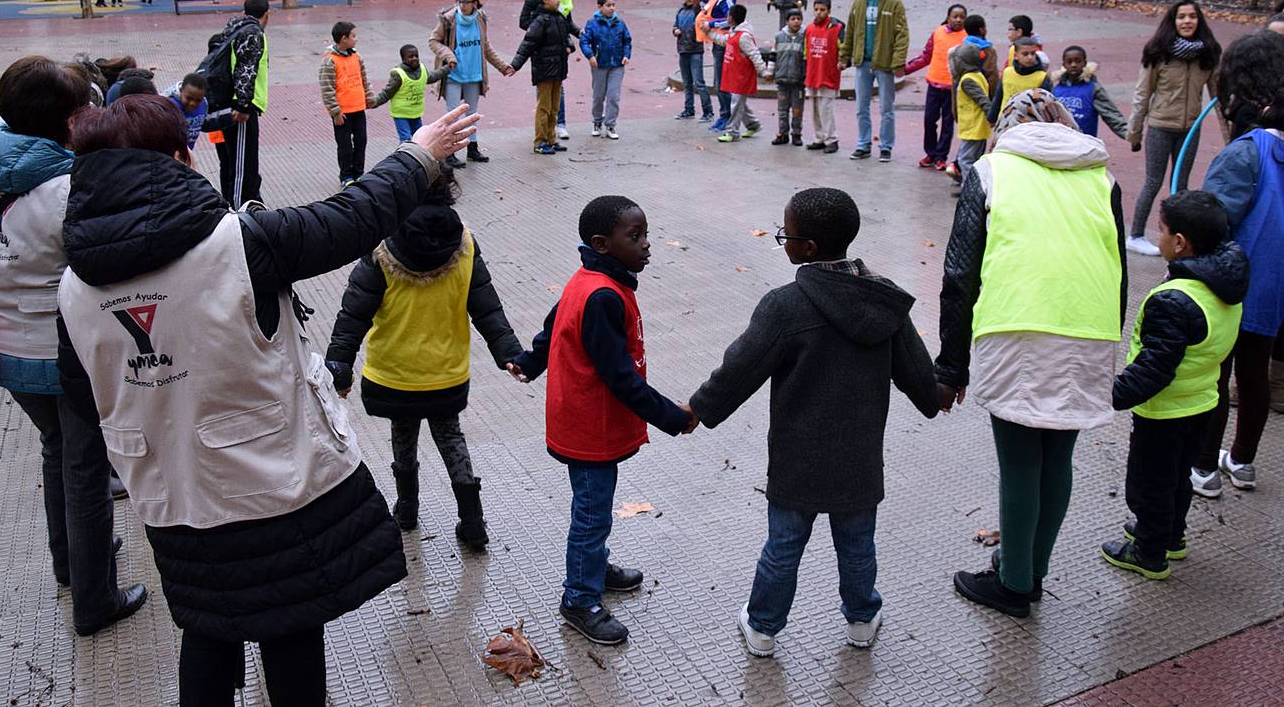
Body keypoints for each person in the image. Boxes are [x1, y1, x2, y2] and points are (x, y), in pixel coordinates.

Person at [56, 95, 479, 705]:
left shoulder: (70, 287)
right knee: (289, 630)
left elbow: (82, 392)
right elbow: (352, 216)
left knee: (205, 626)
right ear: (180, 157)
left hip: (171, 494)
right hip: (269, 485)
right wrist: (421, 155)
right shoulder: (244, 241)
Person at [689, 188, 938, 657]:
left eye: (786, 235)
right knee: (857, 545)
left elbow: (740, 367)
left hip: (796, 456)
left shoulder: (785, 305)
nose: (782, 241)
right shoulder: (884, 301)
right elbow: (917, 374)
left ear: (807, 249)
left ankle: (763, 627)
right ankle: (862, 619)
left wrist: (698, 411)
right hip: (860, 456)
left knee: (783, 546)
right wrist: (936, 394)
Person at [0, 57, 146, 636]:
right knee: (86, 467)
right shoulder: (68, 189)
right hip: (59, 354)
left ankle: (70, 560)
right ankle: (95, 599)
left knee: (56, 448)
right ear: (67, 121)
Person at [936, 89, 1126, 617]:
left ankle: (1015, 584)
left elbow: (959, 274)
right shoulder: (1101, 176)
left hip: (1019, 325)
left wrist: (951, 365)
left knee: (1019, 461)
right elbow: (1117, 265)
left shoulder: (991, 171)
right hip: (1089, 326)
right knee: (1057, 457)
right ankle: (1031, 570)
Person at [504, 195, 697, 646]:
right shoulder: (602, 295)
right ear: (601, 243)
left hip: (587, 418)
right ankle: (580, 598)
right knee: (591, 514)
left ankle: (594, 567)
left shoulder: (591, 277)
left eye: (646, 233)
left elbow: (554, 326)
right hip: (589, 424)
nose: (648, 245)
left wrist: (531, 361)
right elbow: (621, 379)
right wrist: (674, 417)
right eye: (636, 237)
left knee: (596, 509)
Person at [325, 165, 522, 552]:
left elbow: (353, 314)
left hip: (396, 372)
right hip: (446, 372)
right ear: (448, 189)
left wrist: (339, 367)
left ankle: (407, 510)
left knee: (403, 436)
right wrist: (511, 354)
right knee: (451, 437)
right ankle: (473, 521)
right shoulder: (464, 242)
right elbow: (487, 307)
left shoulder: (382, 248)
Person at [1190, 81, 1284, 495]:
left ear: (1275, 110)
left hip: (1231, 278)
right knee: (1254, 374)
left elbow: (1215, 215)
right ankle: (1242, 461)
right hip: (1278, 282)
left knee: (1215, 377)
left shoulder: (1250, 150)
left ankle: (1203, 468)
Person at [1102, 190, 1246, 579]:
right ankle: (1171, 536)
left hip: (1164, 411)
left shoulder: (1173, 300)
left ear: (1180, 243)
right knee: (1178, 477)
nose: (1158, 236)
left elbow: (1154, 368)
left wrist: (1109, 394)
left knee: (1149, 484)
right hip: (1201, 402)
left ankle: (1148, 553)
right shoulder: (1223, 285)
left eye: (1161, 230)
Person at [1126, 0, 1221, 256]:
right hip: (1160, 126)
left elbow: (1218, 97)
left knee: (1181, 185)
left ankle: (1177, 239)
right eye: (1181, 17)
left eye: (1192, 16)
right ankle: (1135, 234)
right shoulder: (1158, 51)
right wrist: (1134, 132)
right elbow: (1142, 92)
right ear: (1173, 21)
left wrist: (1229, 137)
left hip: (1190, 128)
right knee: (1153, 182)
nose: (1187, 21)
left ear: (1199, 20)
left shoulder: (1208, 53)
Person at [428, 0, 514, 166]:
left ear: (475, 3)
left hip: (474, 73)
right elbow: (433, 41)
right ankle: (449, 152)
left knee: (472, 113)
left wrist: (502, 66)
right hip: (453, 74)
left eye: (465, 2)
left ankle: (472, 149)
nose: (461, 5)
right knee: (453, 115)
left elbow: (486, 46)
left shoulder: (480, 19)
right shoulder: (448, 19)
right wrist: (448, 56)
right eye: (458, 1)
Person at [841, 0, 909, 162]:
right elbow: (850, 32)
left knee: (886, 108)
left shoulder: (894, 2)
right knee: (862, 107)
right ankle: (863, 144)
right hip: (863, 62)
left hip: (884, 64)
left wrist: (898, 62)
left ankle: (886, 146)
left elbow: (902, 34)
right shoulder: (859, 2)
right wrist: (844, 56)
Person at [510, 0, 581, 156]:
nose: (558, 0)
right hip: (544, 69)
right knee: (544, 107)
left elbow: (565, 37)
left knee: (554, 107)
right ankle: (540, 141)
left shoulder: (560, 18)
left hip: (559, 69)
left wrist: (570, 46)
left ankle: (551, 138)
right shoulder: (540, 20)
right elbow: (528, 44)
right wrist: (515, 65)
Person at [219, 0, 272, 206]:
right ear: (267, 14)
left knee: (243, 162)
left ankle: (251, 201)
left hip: (240, 103)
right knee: (242, 164)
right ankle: (240, 209)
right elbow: (245, 70)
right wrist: (243, 105)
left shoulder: (235, 28)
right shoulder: (252, 33)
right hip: (240, 107)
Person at [903, 4, 968, 171]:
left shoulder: (967, 37)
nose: (958, 20)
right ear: (948, 17)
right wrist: (906, 69)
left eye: (962, 17)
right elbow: (926, 56)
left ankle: (941, 156)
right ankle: (930, 153)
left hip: (953, 88)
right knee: (929, 120)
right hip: (934, 84)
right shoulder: (938, 33)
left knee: (948, 123)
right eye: (955, 16)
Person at [519, 0, 575, 140]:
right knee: (544, 103)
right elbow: (526, 39)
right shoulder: (536, 1)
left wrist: (572, 40)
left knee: (555, 100)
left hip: (559, 57)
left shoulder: (562, 2)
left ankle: (553, 135)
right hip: (543, 57)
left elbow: (567, 25)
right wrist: (514, 65)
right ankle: (541, 139)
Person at [319, 21, 377, 185]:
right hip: (342, 113)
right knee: (345, 146)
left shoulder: (357, 57)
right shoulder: (329, 60)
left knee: (361, 141)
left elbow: (364, 79)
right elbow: (327, 87)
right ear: (344, 39)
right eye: (353, 36)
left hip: (358, 108)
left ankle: (359, 173)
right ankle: (346, 176)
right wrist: (335, 112)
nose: (356, 39)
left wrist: (369, 97)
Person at [708, 4, 770, 143]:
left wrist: (763, 71)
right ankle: (753, 124)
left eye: (729, 15)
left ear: (733, 18)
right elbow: (724, 41)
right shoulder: (734, 32)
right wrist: (709, 33)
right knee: (739, 102)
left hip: (742, 75)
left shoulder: (743, 37)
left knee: (736, 103)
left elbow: (754, 54)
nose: (727, 18)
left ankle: (732, 131)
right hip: (735, 74)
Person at [372, 44, 452, 144]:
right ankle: (405, 158)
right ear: (403, 59)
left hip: (415, 112)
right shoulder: (398, 74)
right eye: (410, 57)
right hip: (401, 113)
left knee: (419, 137)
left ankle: (418, 157)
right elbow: (387, 93)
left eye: (416, 56)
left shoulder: (422, 69)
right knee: (406, 139)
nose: (414, 58)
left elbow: (432, 76)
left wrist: (447, 68)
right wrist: (374, 102)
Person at [581, 0, 633, 140]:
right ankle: (597, 121)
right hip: (599, 64)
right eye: (608, 5)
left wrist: (626, 55)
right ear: (600, 7)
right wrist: (590, 55)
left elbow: (627, 40)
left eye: (613, 5)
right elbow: (584, 41)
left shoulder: (620, 23)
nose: (611, 8)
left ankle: (610, 124)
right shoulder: (592, 23)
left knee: (613, 96)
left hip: (616, 64)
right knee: (598, 96)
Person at [696, 0, 741, 130]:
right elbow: (714, 0)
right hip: (718, 42)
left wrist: (711, 24)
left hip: (723, 43)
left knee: (720, 82)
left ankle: (726, 116)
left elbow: (732, 19)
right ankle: (743, 119)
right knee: (720, 82)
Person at [1049, 46, 1128, 141]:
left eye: (1078, 61)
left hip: (1085, 143)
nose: (1073, 65)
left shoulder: (1093, 88)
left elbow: (1110, 114)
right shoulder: (1056, 89)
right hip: (1060, 142)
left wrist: (1128, 135)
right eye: (1069, 62)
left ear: (1084, 63)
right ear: (1064, 65)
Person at [803, 0, 845, 154]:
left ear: (829, 11)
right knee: (814, 109)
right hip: (813, 74)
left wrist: (843, 62)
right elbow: (806, 52)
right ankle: (819, 137)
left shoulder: (837, 28)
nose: (819, 12)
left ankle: (832, 139)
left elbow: (843, 49)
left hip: (828, 74)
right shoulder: (809, 29)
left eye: (822, 9)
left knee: (826, 109)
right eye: (816, 9)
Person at [947, 41, 992, 186]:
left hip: (973, 129)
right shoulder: (978, 75)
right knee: (975, 160)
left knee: (965, 160)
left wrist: (992, 116)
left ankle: (968, 190)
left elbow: (983, 100)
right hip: (976, 129)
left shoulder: (968, 81)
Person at [674, 0, 713, 119]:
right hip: (683, 49)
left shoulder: (698, 10)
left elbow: (701, 17)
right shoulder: (680, 11)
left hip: (695, 50)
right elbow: (675, 25)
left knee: (699, 82)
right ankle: (689, 109)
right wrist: (675, 31)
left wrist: (698, 4)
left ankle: (708, 110)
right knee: (687, 83)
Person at [991, 35, 1051, 120]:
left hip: (1028, 125)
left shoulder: (1042, 77)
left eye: (1033, 53)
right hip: (1005, 121)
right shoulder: (1007, 72)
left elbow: (1045, 105)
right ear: (1015, 55)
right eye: (1025, 54)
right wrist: (992, 118)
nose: (1030, 57)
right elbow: (998, 97)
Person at [772, 9, 806, 146]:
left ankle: (796, 134)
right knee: (782, 109)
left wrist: (806, 75)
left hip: (798, 80)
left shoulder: (805, 37)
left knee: (797, 110)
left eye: (798, 18)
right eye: (793, 19)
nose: (796, 21)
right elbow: (773, 56)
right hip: (782, 79)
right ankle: (782, 133)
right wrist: (770, 72)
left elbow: (806, 58)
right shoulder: (779, 37)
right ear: (787, 21)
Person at [162, 72, 209, 151]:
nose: (192, 103)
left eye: (198, 100)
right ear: (181, 91)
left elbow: (205, 123)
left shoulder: (204, 104)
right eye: (189, 98)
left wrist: (229, 117)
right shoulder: (169, 105)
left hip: (186, 154)